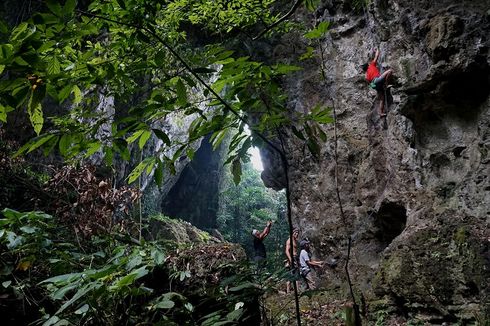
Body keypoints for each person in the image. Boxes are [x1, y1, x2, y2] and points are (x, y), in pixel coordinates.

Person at [362, 48, 393, 117]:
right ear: (368, 65)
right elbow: (377, 56)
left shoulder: (367, 75)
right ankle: (386, 84)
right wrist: (377, 50)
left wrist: (373, 86)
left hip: (375, 84)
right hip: (377, 80)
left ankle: (381, 113)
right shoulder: (372, 65)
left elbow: (369, 83)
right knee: (390, 71)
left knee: (382, 98)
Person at [285, 228, 300, 293]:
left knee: (296, 274)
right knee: (291, 275)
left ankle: (297, 290)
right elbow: (286, 251)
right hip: (292, 258)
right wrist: (291, 260)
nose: (296, 234)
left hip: (295, 258)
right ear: (292, 233)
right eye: (295, 233)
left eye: (297, 233)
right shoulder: (289, 241)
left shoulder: (295, 240)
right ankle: (288, 291)